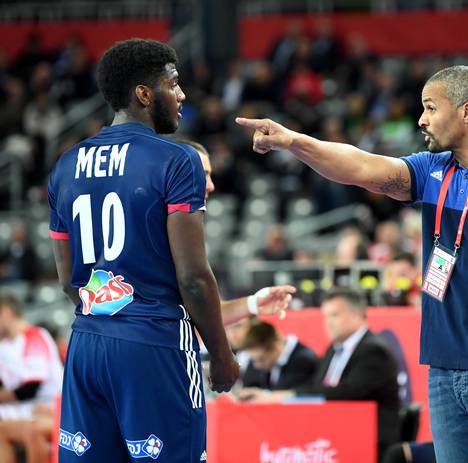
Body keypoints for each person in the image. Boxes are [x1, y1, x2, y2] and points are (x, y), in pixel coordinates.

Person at [236, 64, 468, 462]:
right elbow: (360, 166)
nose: (421, 119)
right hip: (444, 370)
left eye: (431, 108)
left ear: (467, 111)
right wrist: (294, 142)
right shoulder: (434, 170)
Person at [48, 39, 293, 463]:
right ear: (144, 94)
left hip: (86, 344)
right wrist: (221, 355)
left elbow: (67, 278)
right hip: (154, 344)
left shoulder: (65, 165)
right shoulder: (178, 160)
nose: (182, 95)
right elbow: (194, 276)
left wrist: (109, 314)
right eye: (173, 84)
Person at [240, 288, 400, 462]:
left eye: (334, 315)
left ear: (356, 315)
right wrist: (272, 396)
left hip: (370, 438)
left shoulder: (373, 350)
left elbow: (346, 392)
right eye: (326, 316)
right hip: (334, 434)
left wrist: (285, 396)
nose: (328, 322)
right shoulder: (334, 348)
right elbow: (318, 386)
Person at [0, 292, 63, 463]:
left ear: (5, 312)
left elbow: (29, 390)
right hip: (22, 412)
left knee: (25, 431)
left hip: (49, 410)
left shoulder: (34, 336)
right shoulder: (4, 346)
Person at [237, 319, 318, 390]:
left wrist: (265, 396)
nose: (256, 366)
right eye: (253, 360)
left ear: (275, 347)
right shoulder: (263, 362)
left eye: (261, 359)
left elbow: (293, 394)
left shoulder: (303, 361)